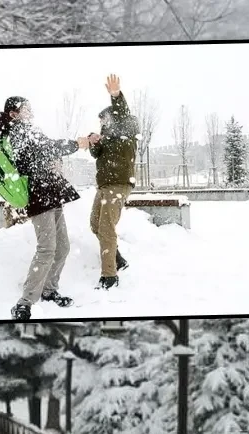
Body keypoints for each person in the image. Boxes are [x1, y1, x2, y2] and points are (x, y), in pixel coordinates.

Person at [0, 96, 93, 321]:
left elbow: (45, 151)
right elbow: (47, 148)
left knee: (62, 247)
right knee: (47, 248)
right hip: (39, 194)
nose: (30, 112)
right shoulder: (16, 130)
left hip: (52, 191)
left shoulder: (26, 129)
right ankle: (25, 302)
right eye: (26, 109)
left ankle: (49, 290)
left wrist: (56, 162)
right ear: (14, 113)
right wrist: (76, 144)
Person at [87, 74, 137, 291]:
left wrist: (116, 95)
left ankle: (109, 276)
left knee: (106, 228)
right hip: (105, 186)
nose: (102, 124)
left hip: (118, 184)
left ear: (113, 118)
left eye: (104, 120)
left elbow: (122, 112)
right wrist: (93, 141)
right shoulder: (106, 137)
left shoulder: (125, 129)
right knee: (95, 224)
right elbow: (96, 153)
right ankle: (117, 259)